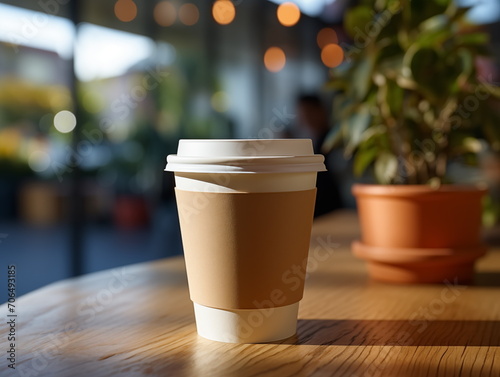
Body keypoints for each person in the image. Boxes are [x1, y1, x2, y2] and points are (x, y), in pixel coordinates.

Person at [296, 94, 343, 217]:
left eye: (309, 112)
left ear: (320, 111)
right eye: (302, 113)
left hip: (331, 207)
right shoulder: (308, 140)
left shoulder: (333, 139)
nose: (305, 118)